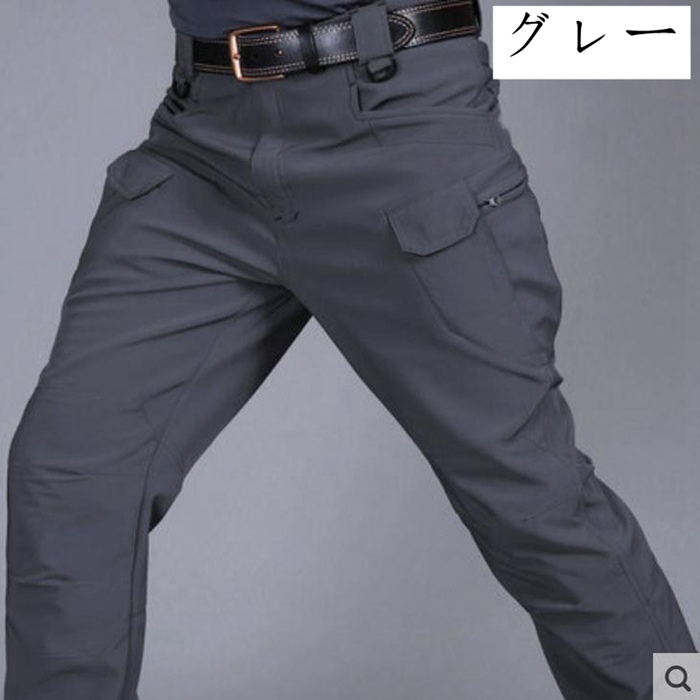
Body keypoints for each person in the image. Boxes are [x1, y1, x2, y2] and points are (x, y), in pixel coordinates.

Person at [4, 0, 696, 698]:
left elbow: (615, 35)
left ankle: (677, 690)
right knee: (70, 472)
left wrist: (635, 38)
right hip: (203, 140)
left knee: (533, 499)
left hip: (397, 123)